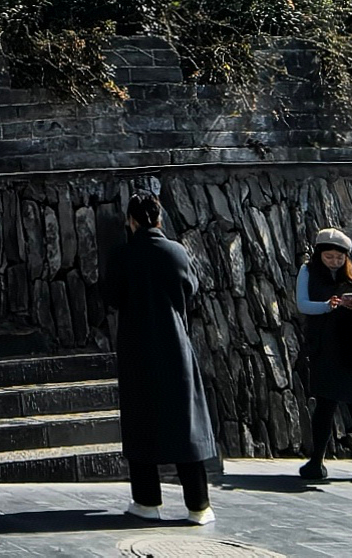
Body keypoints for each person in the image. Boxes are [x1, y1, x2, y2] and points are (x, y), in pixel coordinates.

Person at [98, 191, 216, 524]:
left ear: (131, 221)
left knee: (141, 420)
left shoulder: (122, 254)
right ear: (159, 219)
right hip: (174, 343)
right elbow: (190, 289)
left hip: (136, 346)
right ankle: (198, 505)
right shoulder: (176, 252)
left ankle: (147, 501)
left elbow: (112, 296)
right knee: (185, 421)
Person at [296, 225, 352, 484]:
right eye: (329, 257)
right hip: (325, 347)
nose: (334, 261)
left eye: (339, 257)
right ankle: (316, 461)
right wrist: (328, 306)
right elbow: (303, 304)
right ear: (319, 254)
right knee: (325, 405)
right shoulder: (307, 272)